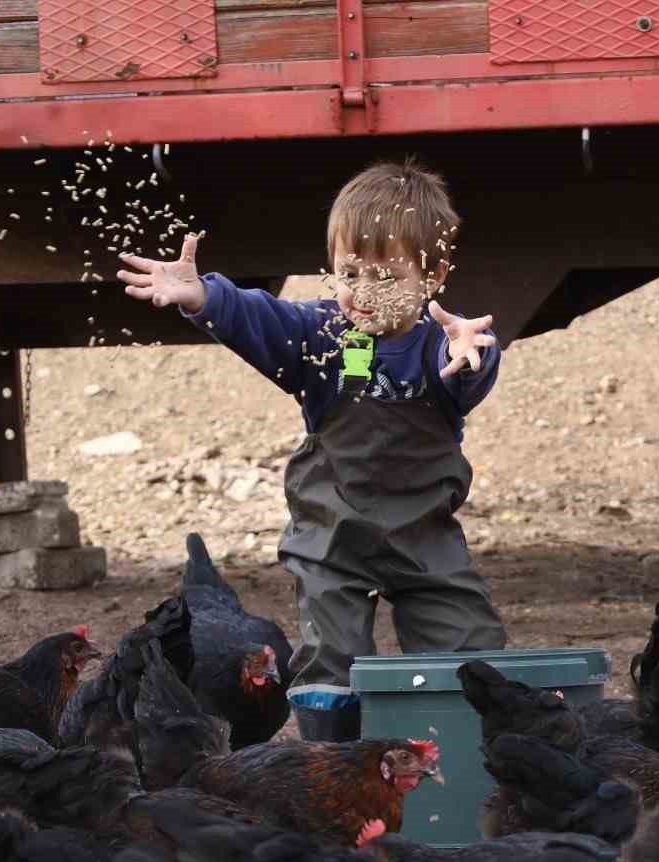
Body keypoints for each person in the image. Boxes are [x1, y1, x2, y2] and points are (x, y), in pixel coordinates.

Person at [117, 159, 507, 741]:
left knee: (468, 648)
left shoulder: (440, 349)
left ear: (434, 275)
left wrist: (473, 356)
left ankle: (461, 759)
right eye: (350, 273)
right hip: (332, 538)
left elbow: (465, 374)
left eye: (386, 278)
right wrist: (204, 297)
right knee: (332, 660)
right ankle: (333, 772)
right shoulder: (321, 340)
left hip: (424, 537)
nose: (364, 294)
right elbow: (261, 317)